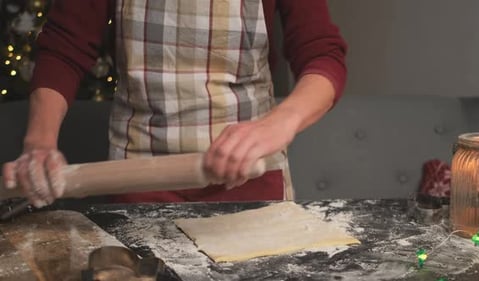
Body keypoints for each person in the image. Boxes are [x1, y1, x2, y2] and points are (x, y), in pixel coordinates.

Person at [2, 0, 347, 208]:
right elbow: (64, 48)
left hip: (252, 178)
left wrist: (278, 124)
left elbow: (322, 54)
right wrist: (39, 144)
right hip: (139, 182)